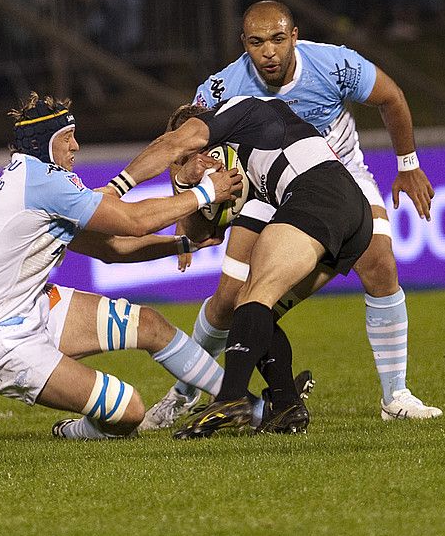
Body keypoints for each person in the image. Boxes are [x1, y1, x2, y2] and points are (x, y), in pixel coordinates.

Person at [141, 0, 440, 430]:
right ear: (244, 45)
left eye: (279, 40)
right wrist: (183, 205)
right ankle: (185, 395)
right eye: (258, 43)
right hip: (265, 187)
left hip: (339, 178)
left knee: (379, 263)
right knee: (229, 300)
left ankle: (395, 395)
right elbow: (189, 154)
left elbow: (391, 97)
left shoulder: (334, 65)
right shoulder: (219, 90)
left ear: (294, 36)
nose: (269, 52)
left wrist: (408, 165)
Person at [0, 93, 246, 440]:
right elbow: (133, 222)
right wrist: (205, 192)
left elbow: (114, 249)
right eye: (66, 138)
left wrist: (184, 243)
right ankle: (72, 432)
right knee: (130, 411)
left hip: (29, 307)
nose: (76, 146)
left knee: (149, 324)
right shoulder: (42, 182)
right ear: (44, 144)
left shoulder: (33, 182)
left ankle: (239, 402)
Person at [114, 94, 374, 438]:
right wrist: (186, 183)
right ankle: (286, 406)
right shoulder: (251, 169)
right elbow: (205, 234)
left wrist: (117, 188)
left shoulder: (241, 110)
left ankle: (231, 397)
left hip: (318, 193)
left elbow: (171, 144)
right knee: (251, 311)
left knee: (255, 297)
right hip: (351, 217)